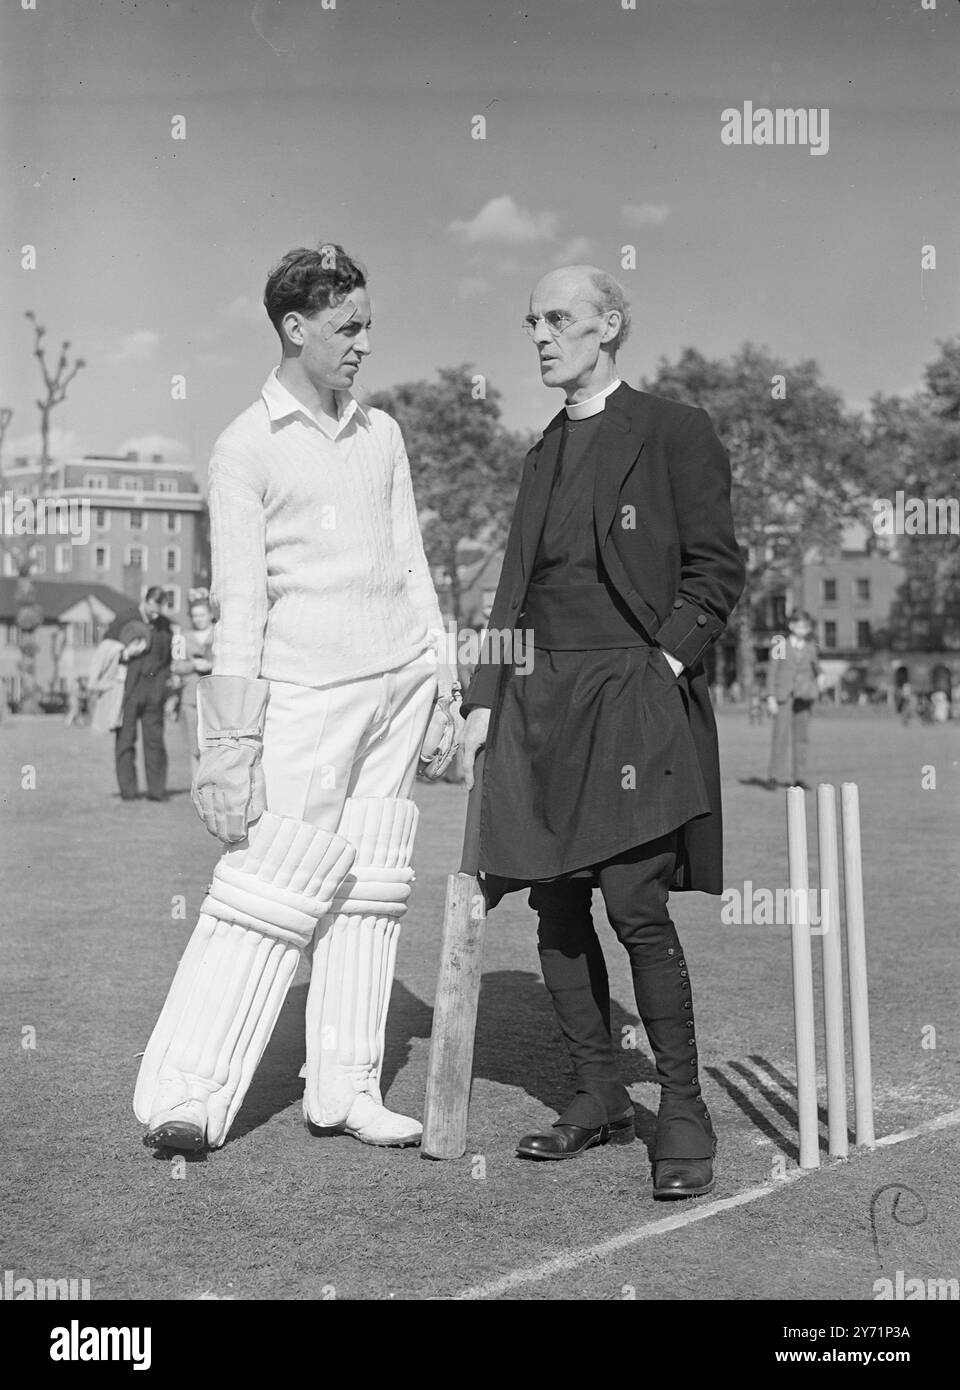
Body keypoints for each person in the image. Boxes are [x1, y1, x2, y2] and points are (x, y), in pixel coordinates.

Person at [134, 241, 458, 1154]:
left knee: (372, 886)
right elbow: (240, 607)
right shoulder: (245, 447)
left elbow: (411, 562)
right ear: (294, 326)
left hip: (396, 682)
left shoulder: (381, 432)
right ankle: (187, 1094)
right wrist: (230, 745)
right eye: (347, 327)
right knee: (267, 888)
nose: (362, 343)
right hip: (308, 695)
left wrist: (441, 681)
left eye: (369, 326)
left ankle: (346, 1089)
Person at [460, 264, 745, 1200]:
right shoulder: (540, 449)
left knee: (634, 905)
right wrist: (480, 699)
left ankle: (683, 1110)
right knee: (552, 901)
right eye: (531, 319)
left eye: (558, 318)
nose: (540, 334)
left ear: (609, 326)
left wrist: (661, 666)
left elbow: (716, 570)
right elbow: (513, 589)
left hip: (631, 690)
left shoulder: (673, 429)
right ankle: (596, 1098)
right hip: (540, 699)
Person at [112, 587, 173, 802]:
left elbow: (168, 660)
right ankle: (128, 792)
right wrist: (125, 654)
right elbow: (107, 650)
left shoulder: (165, 626)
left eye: (160, 611)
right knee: (126, 740)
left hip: (154, 690)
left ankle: (156, 791)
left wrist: (163, 687)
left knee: (154, 741)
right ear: (145, 601)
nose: (156, 615)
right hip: (128, 689)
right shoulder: (124, 618)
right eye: (153, 610)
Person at [764, 610, 821, 791]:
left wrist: (821, 678)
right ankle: (774, 776)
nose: (804, 629)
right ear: (792, 626)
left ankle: (799, 777)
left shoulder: (811, 646)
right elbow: (772, 670)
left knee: (801, 738)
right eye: (801, 625)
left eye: (807, 626)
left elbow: (816, 668)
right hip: (783, 696)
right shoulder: (780, 643)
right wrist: (771, 696)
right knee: (780, 736)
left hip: (803, 696)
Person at [170, 594, 216, 772]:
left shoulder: (220, 633)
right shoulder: (180, 638)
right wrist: (193, 665)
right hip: (190, 697)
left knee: (213, 746)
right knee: (194, 746)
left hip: (214, 697)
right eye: (195, 615)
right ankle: (196, 786)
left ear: (210, 614)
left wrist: (211, 665)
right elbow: (175, 665)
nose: (198, 619)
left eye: (202, 615)